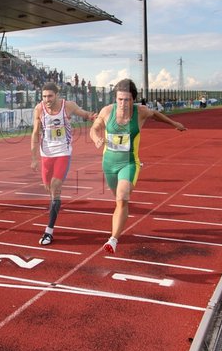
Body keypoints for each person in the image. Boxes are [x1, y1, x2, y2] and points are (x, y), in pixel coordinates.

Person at [89, 79, 186, 253]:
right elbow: (94, 128)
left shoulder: (140, 112)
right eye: (120, 99)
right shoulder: (107, 111)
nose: (123, 103)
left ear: (133, 100)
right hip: (108, 164)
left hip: (129, 163)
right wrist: (96, 138)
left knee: (122, 197)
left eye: (127, 100)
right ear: (115, 98)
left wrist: (174, 124)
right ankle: (122, 213)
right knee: (119, 201)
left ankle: (113, 239)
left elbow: (155, 114)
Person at [30, 82, 97, 245]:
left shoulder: (68, 106)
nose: (47, 99)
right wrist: (34, 158)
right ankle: (55, 202)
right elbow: (35, 133)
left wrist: (92, 116)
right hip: (46, 154)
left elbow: (84, 114)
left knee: (55, 186)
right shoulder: (39, 109)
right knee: (49, 188)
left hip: (63, 153)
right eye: (44, 96)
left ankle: (49, 231)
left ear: (57, 95)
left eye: (50, 96)